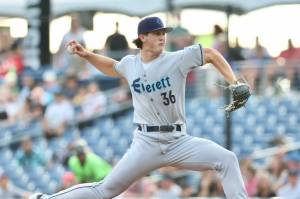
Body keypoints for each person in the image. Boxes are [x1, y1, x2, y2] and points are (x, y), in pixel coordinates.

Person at [30, 16, 248, 199]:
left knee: (227, 159)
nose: (162, 36)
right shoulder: (130, 64)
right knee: (106, 190)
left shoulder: (177, 59)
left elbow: (210, 54)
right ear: (142, 37)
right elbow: (112, 66)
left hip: (178, 140)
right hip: (146, 143)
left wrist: (234, 82)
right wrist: (87, 55)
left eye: (163, 32)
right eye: (156, 33)